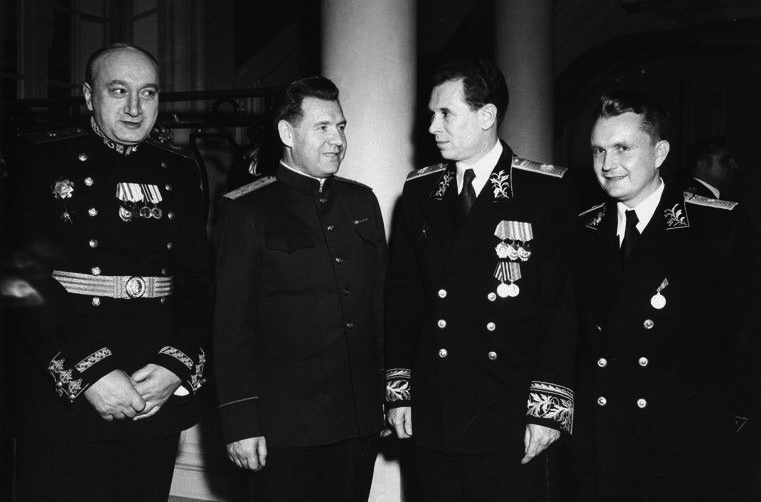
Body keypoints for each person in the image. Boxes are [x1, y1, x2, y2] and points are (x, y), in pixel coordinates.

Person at [1, 43, 211, 501]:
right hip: (65, 388)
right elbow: (19, 277)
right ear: (88, 95)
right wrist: (90, 372)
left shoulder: (179, 170)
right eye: (118, 90)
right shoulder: (42, 159)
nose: (135, 108)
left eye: (148, 92)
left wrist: (174, 365)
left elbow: (197, 282)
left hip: (153, 387)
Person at [384, 58, 578, 500]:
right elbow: (402, 299)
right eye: (431, 113)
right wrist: (399, 392)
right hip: (434, 408)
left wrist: (547, 410)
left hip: (508, 412)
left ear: (487, 115)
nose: (431, 127)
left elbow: (560, 307)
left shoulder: (545, 190)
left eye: (445, 114)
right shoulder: (419, 191)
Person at [573, 90, 761, 499]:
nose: (607, 165)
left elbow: (748, 340)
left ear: (660, 153)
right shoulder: (582, 231)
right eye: (598, 150)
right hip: (603, 449)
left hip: (687, 454)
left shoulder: (718, 228)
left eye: (623, 148)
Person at [213, 75, 387, 501]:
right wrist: (241, 422)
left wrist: (389, 395)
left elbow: (381, 307)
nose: (337, 140)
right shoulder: (247, 210)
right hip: (283, 431)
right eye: (322, 127)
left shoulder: (362, 202)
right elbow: (232, 327)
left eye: (341, 127)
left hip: (357, 423)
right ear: (287, 134)